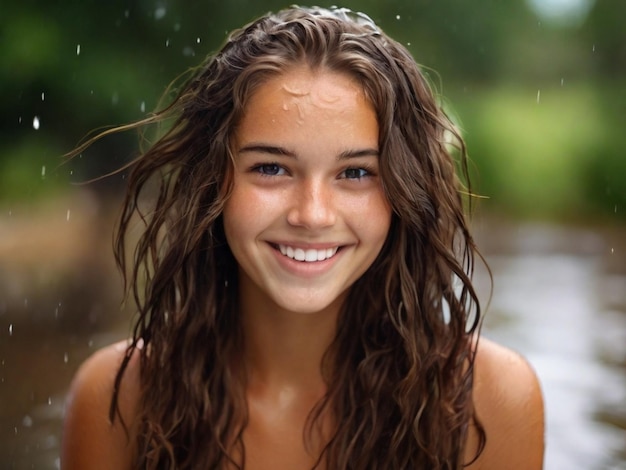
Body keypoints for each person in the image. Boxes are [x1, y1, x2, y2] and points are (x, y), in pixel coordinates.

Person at [61, 6, 544, 469]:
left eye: (356, 172)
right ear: (213, 182)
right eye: (271, 168)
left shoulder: (487, 400)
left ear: (405, 191)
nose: (312, 214)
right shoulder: (119, 398)